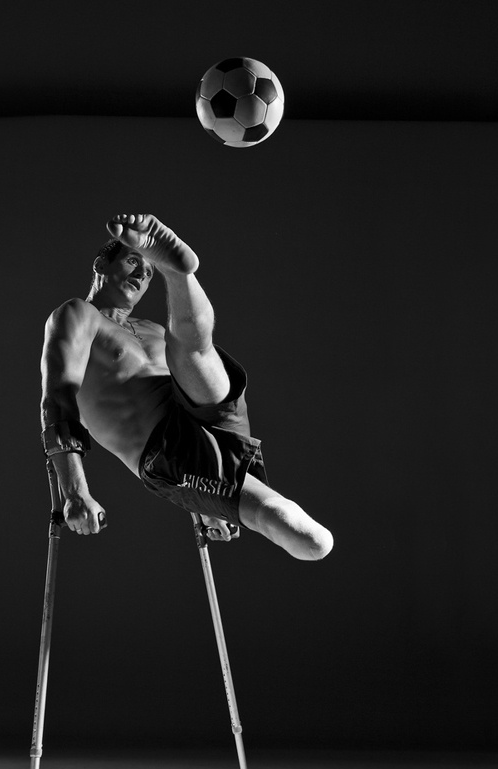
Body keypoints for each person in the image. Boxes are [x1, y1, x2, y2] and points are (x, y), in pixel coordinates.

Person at [40, 213, 333, 560]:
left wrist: (208, 508)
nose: (141, 275)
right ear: (101, 264)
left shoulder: (152, 329)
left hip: (211, 413)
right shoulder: (78, 315)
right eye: (134, 261)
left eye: (149, 272)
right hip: (168, 449)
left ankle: (177, 271)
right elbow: (57, 400)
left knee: (192, 349)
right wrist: (74, 492)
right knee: (312, 540)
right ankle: (177, 271)